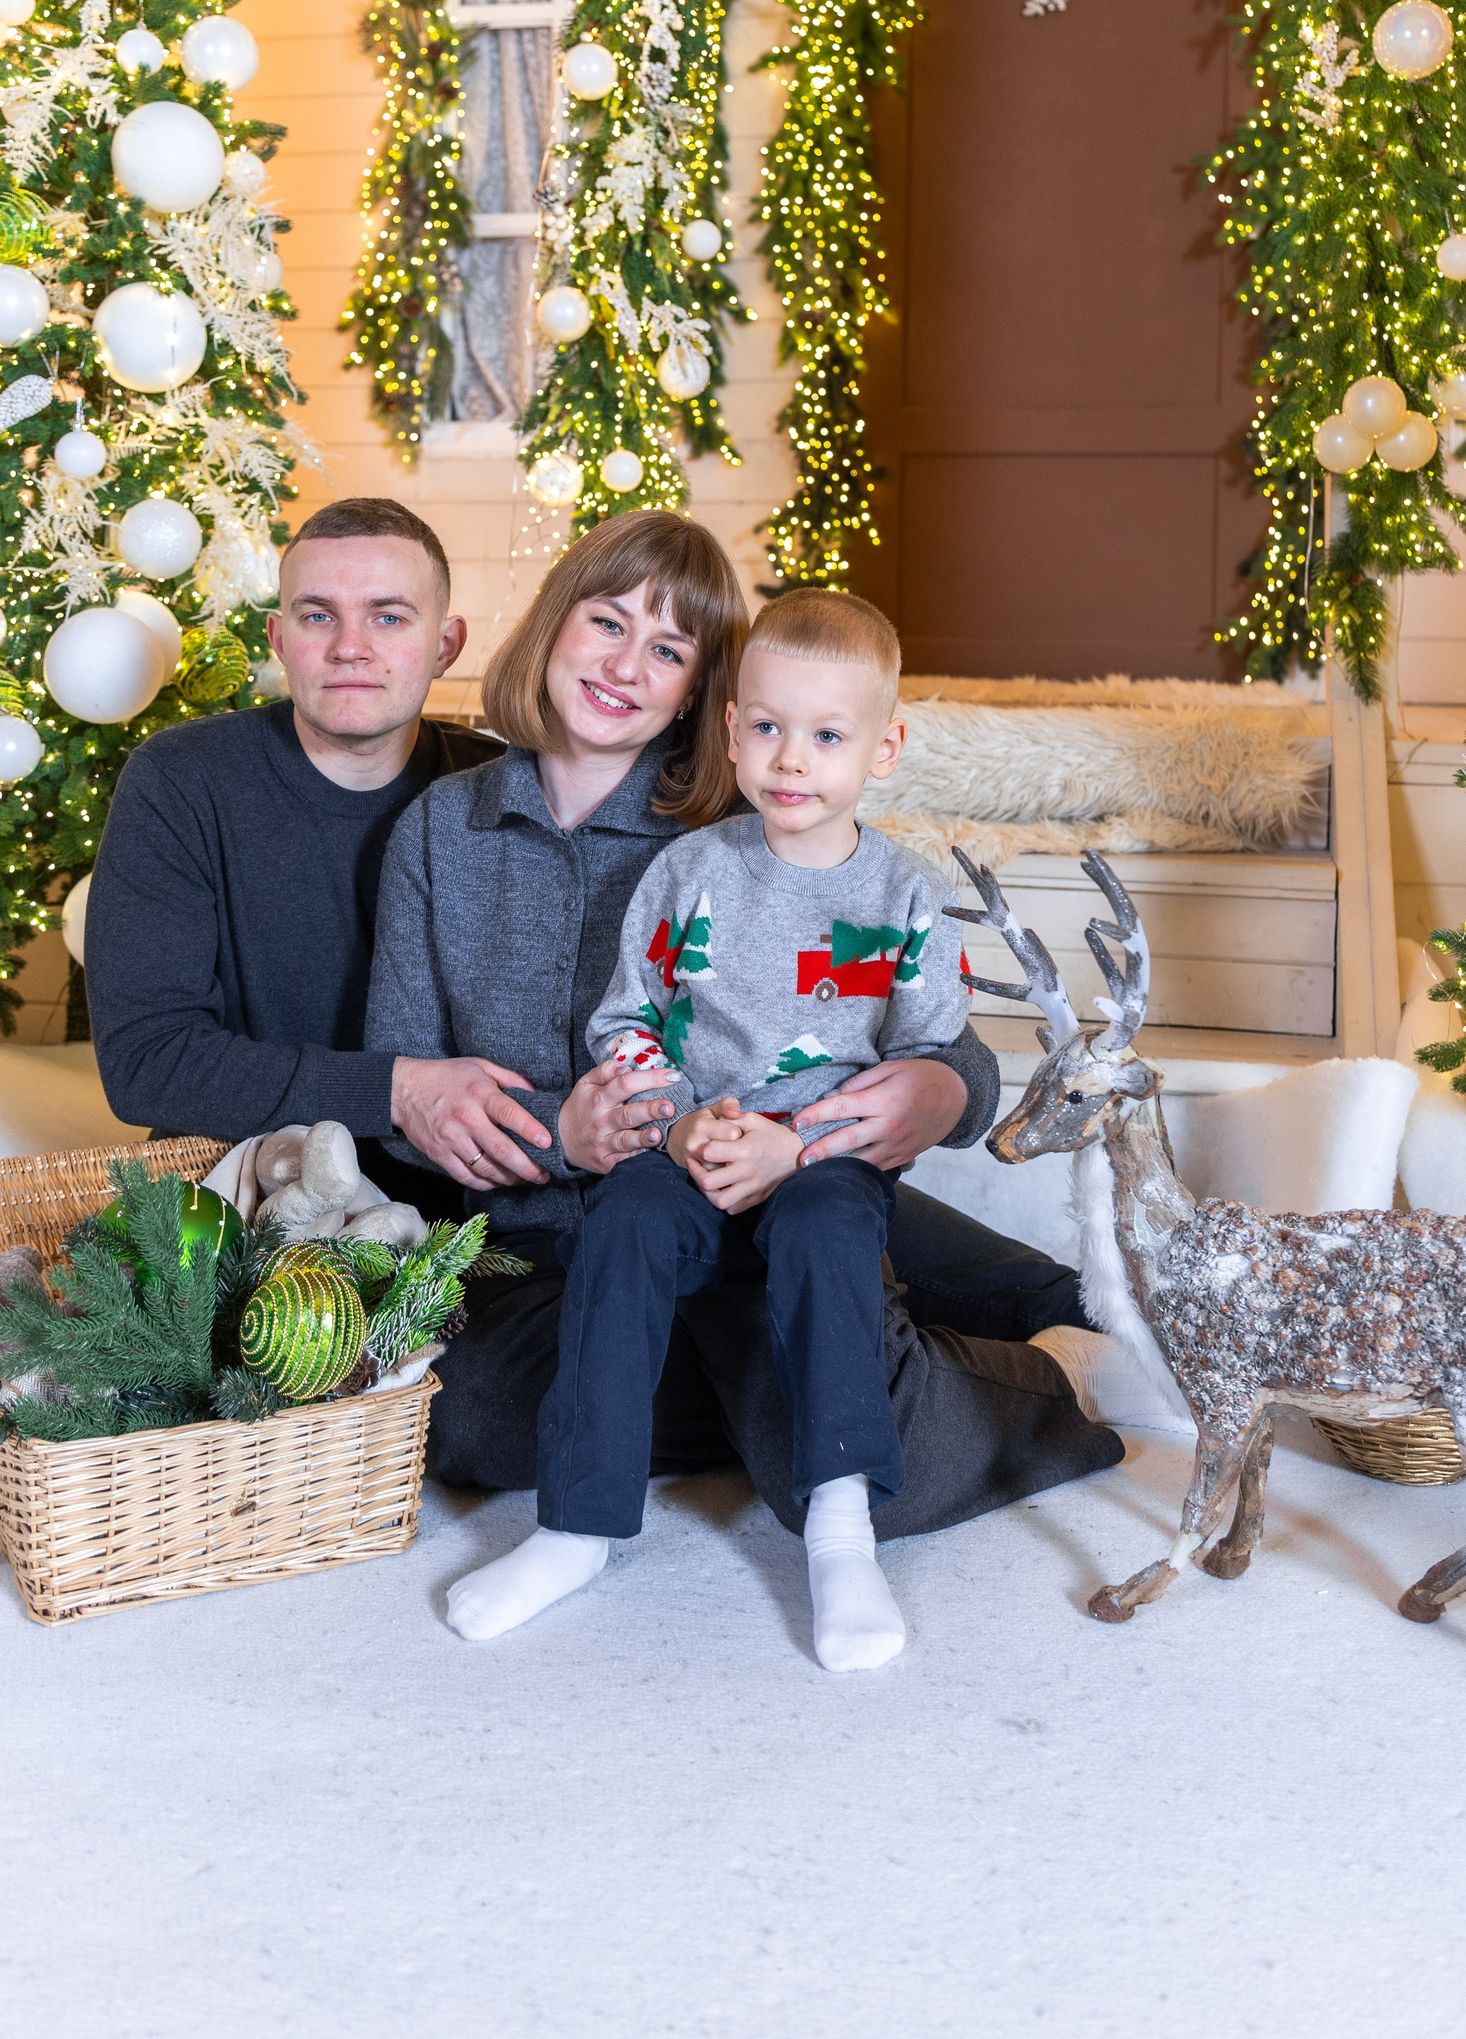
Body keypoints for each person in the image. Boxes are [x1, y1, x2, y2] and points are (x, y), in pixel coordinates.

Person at [366, 510, 1123, 1565]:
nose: (626, 666)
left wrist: (947, 1091)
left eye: (668, 649)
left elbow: (924, 1029)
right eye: (607, 623)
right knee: (472, 1416)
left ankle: (1034, 1363)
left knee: (924, 1376)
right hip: (572, 1232)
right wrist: (564, 1132)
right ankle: (828, 1364)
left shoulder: (745, 816)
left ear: (704, 695)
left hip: (783, 1181)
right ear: (553, 623)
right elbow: (404, 1090)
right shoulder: (445, 828)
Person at [445, 587, 982, 1670]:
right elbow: (625, 1022)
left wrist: (803, 1146)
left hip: (821, 1159)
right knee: (626, 1226)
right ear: (731, 730)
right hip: (689, 1143)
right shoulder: (690, 873)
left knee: (828, 1231)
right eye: (769, 727)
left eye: (827, 736)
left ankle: (841, 1531)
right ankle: (576, 1526)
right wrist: (679, 1123)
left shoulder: (903, 897)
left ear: (883, 750)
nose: (792, 760)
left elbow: (926, 1059)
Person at [83, 495, 502, 1149]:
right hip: (238, 1185)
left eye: (389, 617)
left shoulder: (501, 791)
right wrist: (398, 1092)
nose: (350, 649)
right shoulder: (180, 780)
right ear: (279, 639)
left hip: (459, 1183)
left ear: (445, 646)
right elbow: (146, 1061)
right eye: (318, 616)